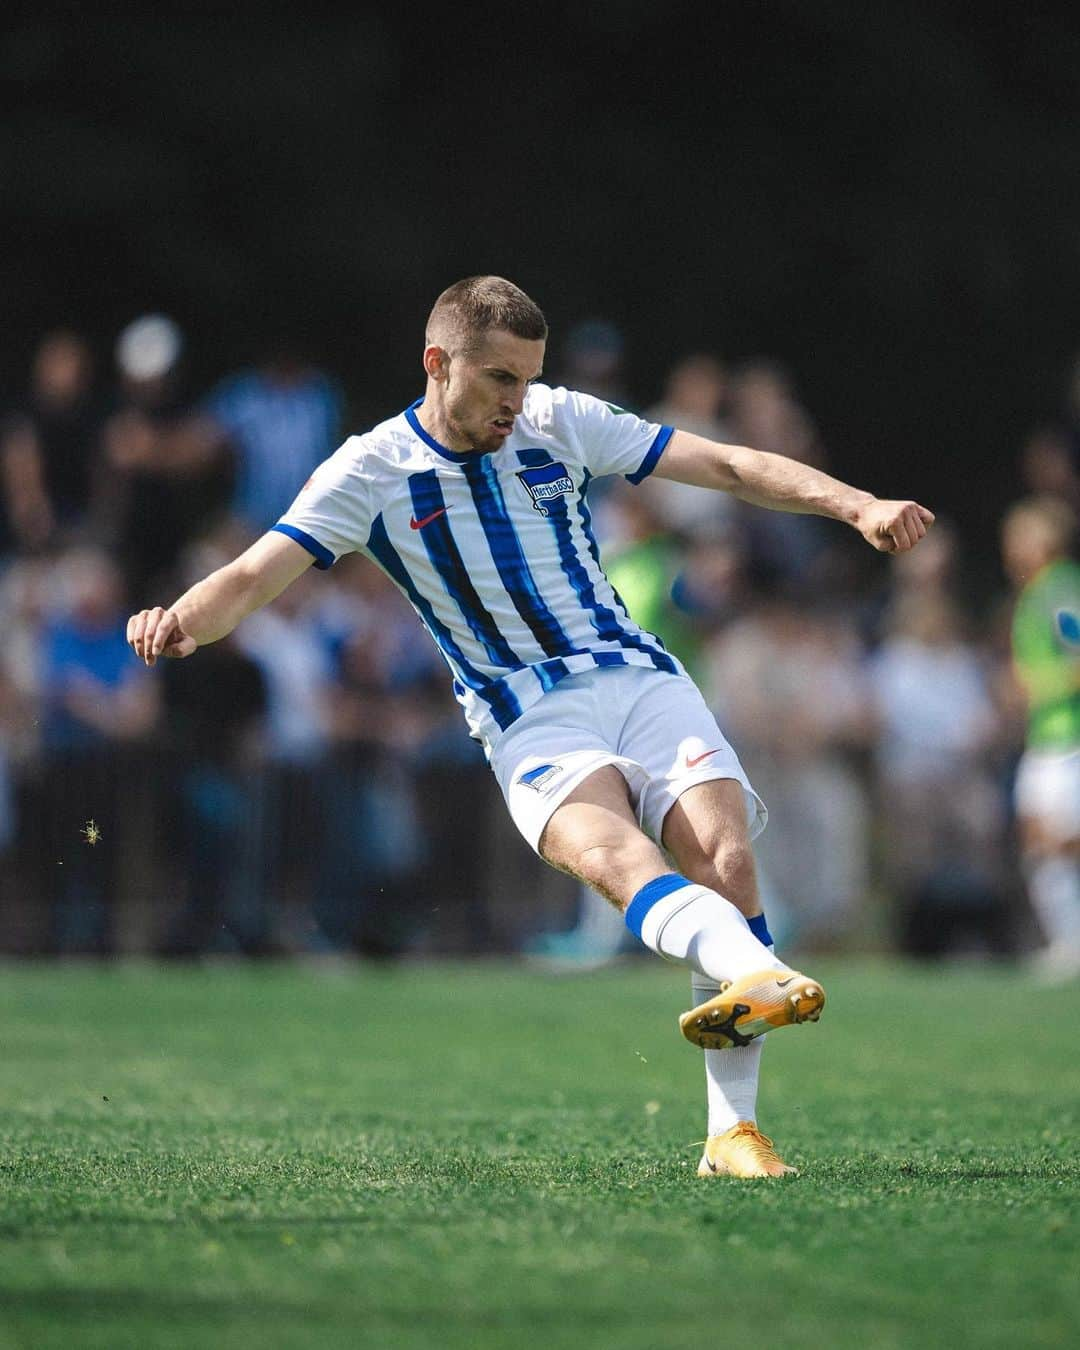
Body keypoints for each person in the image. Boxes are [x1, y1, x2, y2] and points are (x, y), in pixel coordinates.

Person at [127, 276, 935, 1178]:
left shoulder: (559, 420)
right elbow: (252, 573)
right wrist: (180, 620)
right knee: (613, 857)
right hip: (527, 714)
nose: (516, 399)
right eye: (498, 378)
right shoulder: (369, 469)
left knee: (726, 855)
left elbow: (731, 465)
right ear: (438, 364)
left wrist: (856, 505)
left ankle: (732, 1134)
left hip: (633, 674)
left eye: (527, 377)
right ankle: (753, 967)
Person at [1001, 497, 1080, 979]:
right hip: (1047, 735)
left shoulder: (1060, 591)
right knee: (1037, 836)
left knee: (1057, 839)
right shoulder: (1039, 593)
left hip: (1068, 734)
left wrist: (1033, 687)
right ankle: (1066, 940)